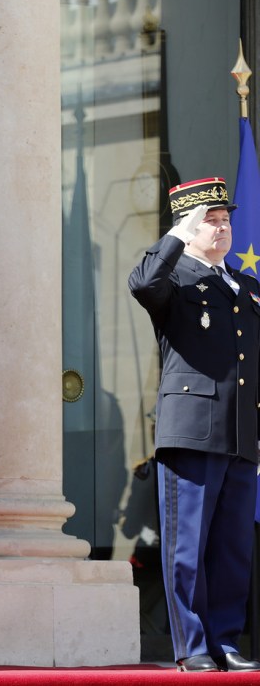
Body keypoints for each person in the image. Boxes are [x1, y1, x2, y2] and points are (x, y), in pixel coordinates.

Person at [128, 177, 260, 673]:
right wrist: (178, 236)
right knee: (188, 545)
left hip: (241, 431)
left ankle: (225, 640)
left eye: (226, 220)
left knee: (232, 547)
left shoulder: (246, 287)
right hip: (192, 428)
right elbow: (142, 284)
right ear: (187, 223)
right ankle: (192, 645)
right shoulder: (174, 276)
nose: (223, 228)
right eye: (211, 219)